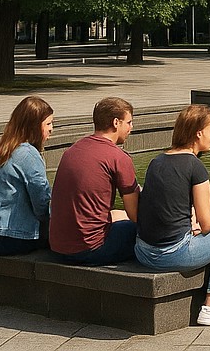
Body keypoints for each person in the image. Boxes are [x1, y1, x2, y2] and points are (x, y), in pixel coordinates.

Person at [135, 105, 210, 326]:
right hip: (171, 255)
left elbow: (167, 207)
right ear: (198, 133)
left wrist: (189, 223)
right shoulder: (195, 167)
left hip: (142, 252)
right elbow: (207, 223)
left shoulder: (157, 161)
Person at [49, 96, 141, 265]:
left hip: (58, 247)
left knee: (118, 218)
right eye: (129, 122)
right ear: (116, 123)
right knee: (148, 231)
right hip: (91, 249)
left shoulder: (72, 150)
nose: (131, 128)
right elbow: (135, 215)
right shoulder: (118, 157)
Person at [0, 95, 54, 255]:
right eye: (48, 123)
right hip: (11, 237)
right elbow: (41, 202)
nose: (52, 128)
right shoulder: (28, 154)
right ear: (34, 126)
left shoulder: (5, 149)